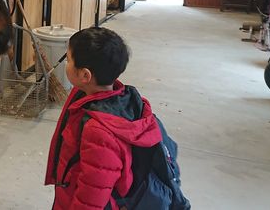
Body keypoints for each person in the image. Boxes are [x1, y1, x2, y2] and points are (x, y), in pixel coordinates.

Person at [45, 27, 190, 210]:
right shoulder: (98, 96)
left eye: (68, 59)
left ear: (85, 75)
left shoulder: (98, 132)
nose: (66, 63)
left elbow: (92, 195)